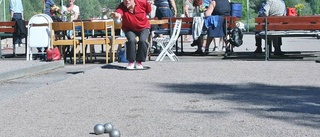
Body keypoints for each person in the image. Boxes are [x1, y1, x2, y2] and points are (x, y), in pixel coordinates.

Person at [111, 0, 152, 69]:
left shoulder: (142, 2)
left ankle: (139, 62)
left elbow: (149, 10)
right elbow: (119, 13)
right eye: (125, 0)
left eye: (129, 0)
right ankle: (131, 61)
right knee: (131, 41)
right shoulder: (121, 6)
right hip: (129, 29)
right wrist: (116, 15)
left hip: (143, 27)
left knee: (142, 41)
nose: (127, 1)